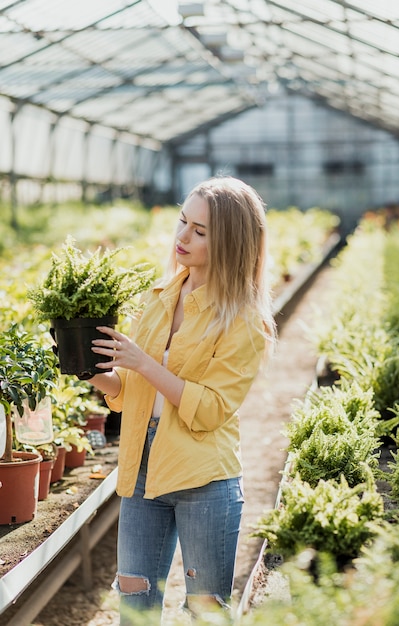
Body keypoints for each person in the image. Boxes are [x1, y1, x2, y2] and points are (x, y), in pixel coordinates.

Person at [87, 176, 276, 624]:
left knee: (205, 611)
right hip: (142, 469)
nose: (182, 237)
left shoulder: (244, 319)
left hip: (203, 479)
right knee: (134, 602)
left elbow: (210, 409)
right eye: (182, 221)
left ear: (230, 242)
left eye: (200, 231)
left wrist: (145, 363)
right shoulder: (159, 298)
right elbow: (129, 395)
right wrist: (92, 372)